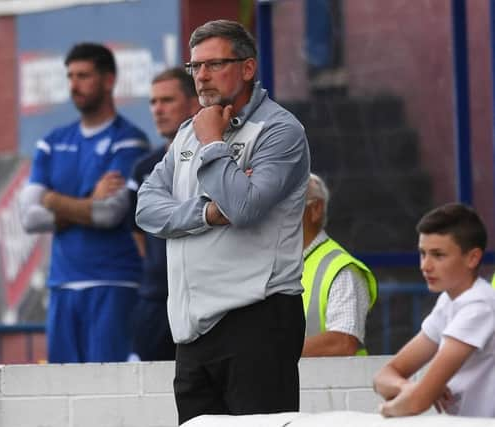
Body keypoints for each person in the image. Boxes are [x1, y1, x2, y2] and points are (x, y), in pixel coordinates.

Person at [136, 20, 310, 424]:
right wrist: (207, 213)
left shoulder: (280, 130)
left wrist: (214, 144)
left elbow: (245, 207)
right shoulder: (188, 131)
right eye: (194, 67)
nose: (201, 76)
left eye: (214, 64)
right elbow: (146, 207)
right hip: (192, 330)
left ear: (248, 68)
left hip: (257, 319)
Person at [19, 43, 149, 363]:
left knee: (108, 389)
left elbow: (108, 214)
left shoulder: (129, 139)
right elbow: (28, 218)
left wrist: (51, 199)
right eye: (70, 76)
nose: (74, 85)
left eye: (83, 76)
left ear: (108, 80)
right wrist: (85, 204)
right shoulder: (52, 141)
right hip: (63, 284)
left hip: (113, 281)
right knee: (64, 391)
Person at [373, 203, 495, 418]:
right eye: (423, 254)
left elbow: (417, 403)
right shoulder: (449, 301)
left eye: (438, 255)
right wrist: (408, 388)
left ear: (473, 258)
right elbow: (384, 376)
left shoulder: (479, 306)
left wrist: (386, 410)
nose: (425, 266)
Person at [126, 68, 200, 361]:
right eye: (153, 102)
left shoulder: (213, 157)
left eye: (167, 100)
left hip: (202, 296)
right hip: (155, 299)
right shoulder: (143, 167)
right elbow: (138, 231)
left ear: (194, 104)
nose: (158, 110)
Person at [301, 173, 377, 356]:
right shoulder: (271, 265)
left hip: (329, 384)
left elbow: (343, 342)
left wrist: (271, 355)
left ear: (316, 209)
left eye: (286, 204)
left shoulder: (341, 270)